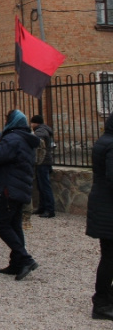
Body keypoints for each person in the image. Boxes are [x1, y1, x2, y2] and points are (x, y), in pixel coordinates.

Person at [0, 109, 39, 281]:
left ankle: (26, 258)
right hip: (18, 187)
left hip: (8, 187)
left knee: (1, 224)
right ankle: (16, 262)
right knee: (14, 225)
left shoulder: (13, 138)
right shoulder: (24, 138)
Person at [88, 112, 113, 320]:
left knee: (109, 256)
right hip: (109, 210)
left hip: (104, 207)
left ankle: (105, 297)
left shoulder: (104, 140)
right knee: (109, 258)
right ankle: (102, 302)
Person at [30, 115, 56, 218]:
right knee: (41, 186)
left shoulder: (40, 131)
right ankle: (42, 207)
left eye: (32, 123)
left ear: (35, 123)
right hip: (45, 161)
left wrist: (32, 136)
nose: (31, 125)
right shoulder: (44, 129)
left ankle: (49, 210)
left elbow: (37, 140)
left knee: (45, 186)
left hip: (43, 161)